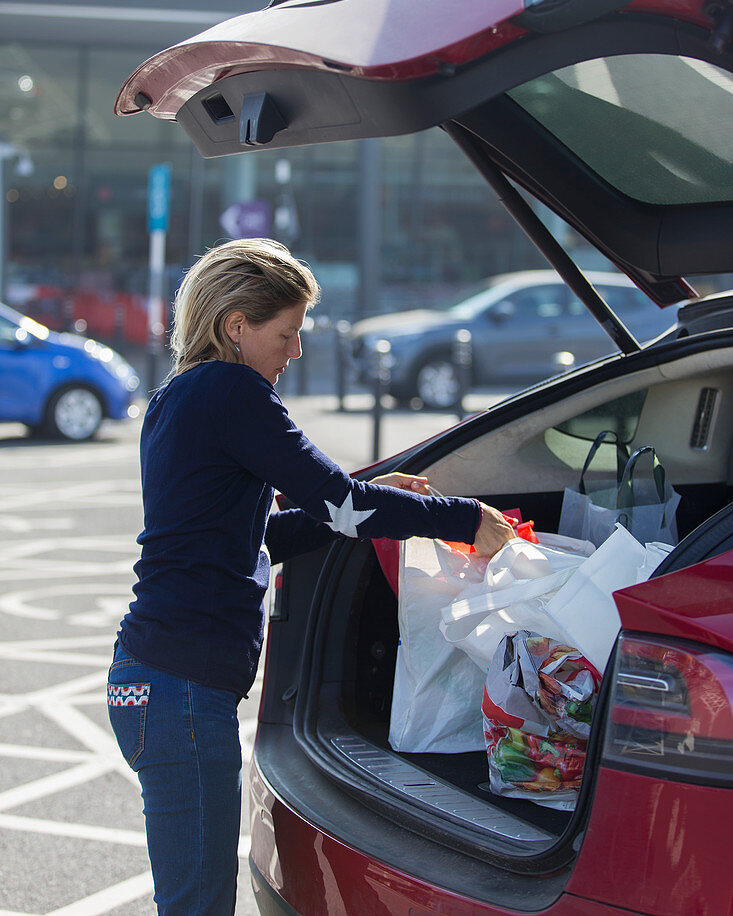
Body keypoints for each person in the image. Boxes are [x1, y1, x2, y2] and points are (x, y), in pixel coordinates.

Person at [107, 238, 515, 916]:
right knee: (197, 907)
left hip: (156, 680)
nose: (295, 352)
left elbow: (264, 535)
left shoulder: (182, 394)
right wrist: (462, 518)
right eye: (286, 333)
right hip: (177, 692)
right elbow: (337, 503)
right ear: (237, 325)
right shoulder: (233, 390)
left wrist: (361, 497)